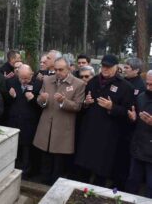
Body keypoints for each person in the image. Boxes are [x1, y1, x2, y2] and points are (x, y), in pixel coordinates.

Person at [75, 54, 135, 188]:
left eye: (109, 67)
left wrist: (112, 107)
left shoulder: (125, 87)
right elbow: (83, 106)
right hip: (89, 132)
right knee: (83, 169)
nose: (105, 69)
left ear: (116, 68)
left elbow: (128, 113)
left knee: (100, 171)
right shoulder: (93, 82)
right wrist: (86, 103)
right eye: (103, 66)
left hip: (108, 136)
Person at [33, 57, 85, 185]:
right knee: (45, 156)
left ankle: (55, 184)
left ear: (69, 69)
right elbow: (40, 101)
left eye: (61, 69)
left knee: (59, 159)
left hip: (63, 127)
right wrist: (43, 99)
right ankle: (43, 182)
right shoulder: (47, 80)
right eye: (55, 69)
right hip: (46, 125)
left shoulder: (78, 84)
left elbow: (78, 106)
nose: (57, 72)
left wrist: (63, 102)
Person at [7, 64, 42, 176]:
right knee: (15, 148)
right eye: (22, 78)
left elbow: (41, 106)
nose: (24, 81)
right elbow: (6, 103)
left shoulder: (38, 84)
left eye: (27, 78)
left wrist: (32, 99)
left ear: (32, 75)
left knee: (27, 149)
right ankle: (13, 170)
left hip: (29, 123)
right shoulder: (11, 82)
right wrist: (10, 96)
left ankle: (26, 173)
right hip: (14, 121)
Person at [126, 70, 152, 198]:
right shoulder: (141, 97)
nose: (148, 87)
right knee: (132, 182)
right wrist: (133, 118)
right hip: (138, 148)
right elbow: (135, 122)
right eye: (147, 84)